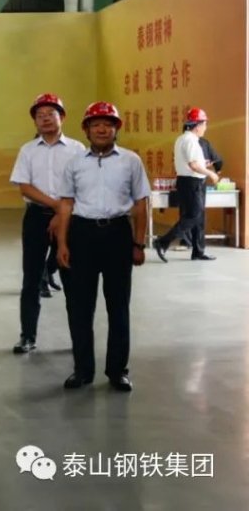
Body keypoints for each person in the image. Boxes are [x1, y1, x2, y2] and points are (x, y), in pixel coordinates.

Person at [57, 101, 150, 392]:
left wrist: (138, 243)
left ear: (115, 129)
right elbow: (66, 204)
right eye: (95, 124)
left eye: (107, 124)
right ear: (86, 130)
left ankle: (117, 370)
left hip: (117, 235)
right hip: (82, 235)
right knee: (80, 307)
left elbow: (141, 203)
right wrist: (62, 242)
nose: (101, 129)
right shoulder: (74, 163)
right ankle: (82, 370)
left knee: (118, 306)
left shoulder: (131, 161)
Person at [8, 93, 84, 354]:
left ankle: (79, 338)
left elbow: (82, 186)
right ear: (35, 122)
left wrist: (63, 214)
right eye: (40, 116)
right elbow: (25, 187)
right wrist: (56, 207)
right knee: (31, 278)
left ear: (62, 117)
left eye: (51, 114)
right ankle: (27, 336)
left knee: (73, 279)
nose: (45, 119)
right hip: (36, 217)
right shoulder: (27, 150)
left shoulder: (77, 150)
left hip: (71, 218)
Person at [153, 108, 218, 262]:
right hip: (192, 182)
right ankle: (163, 241)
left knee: (199, 218)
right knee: (194, 216)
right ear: (197, 125)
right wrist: (211, 174)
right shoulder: (190, 141)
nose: (205, 128)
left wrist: (204, 167)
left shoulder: (183, 139)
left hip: (189, 182)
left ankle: (198, 251)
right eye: (204, 124)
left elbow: (193, 163)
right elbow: (193, 165)